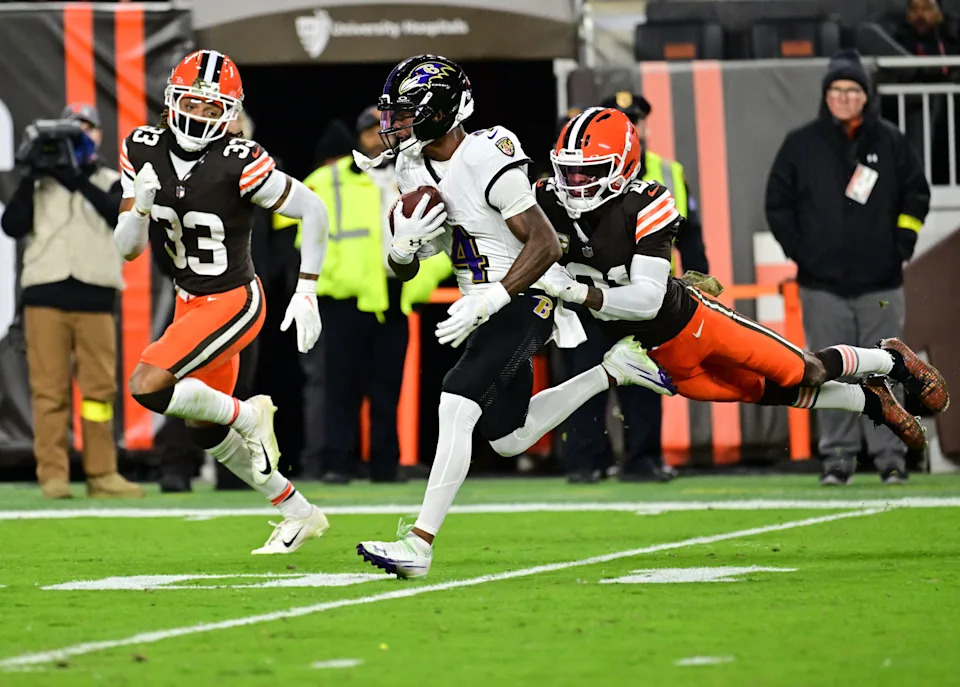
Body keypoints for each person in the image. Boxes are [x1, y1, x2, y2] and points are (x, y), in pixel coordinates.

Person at [489, 108, 948, 487]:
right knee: (767, 393)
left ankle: (891, 361)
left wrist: (573, 291)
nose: (574, 183)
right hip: (652, 357)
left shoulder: (647, 200)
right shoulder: (544, 199)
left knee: (799, 370)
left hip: (693, 324)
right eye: (567, 171)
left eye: (589, 172)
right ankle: (870, 402)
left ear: (624, 169)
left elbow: (647, 299)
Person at [355, 55, 673, 579]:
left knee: (456, 401)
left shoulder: (486, 153)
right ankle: (613, 370)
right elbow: (411, 266)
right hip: (481, 303)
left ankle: (419, 543)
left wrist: (494, 297)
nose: (398, 124)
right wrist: (403, 252)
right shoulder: (411, 166)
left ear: (444, 111)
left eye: (410, 112)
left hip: (527, 294)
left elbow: (545, 243)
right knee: (510, 436)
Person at [114, 49, 330, 553]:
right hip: (190, 300)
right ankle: (300, 512)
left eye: (215, 108)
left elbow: (314, 209)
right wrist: (139, 208)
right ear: (171, 101)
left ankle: (247, 416)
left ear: (230, 112)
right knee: (201, 430)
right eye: (194, 102)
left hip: (233, 299)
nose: (202, 115)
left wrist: (307, 289)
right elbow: (128, 250)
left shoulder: (240, 158)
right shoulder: (141, 148)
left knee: (148, 385)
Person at [765, 50, 932, 485]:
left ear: (866, 96)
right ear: (826, 96)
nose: (844, 97)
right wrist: (802, 251)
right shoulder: (800, 144)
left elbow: (917, 194)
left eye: (853, 90)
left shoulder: (891, 142)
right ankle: (837, 459)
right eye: (836, 90)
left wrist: (903, 242)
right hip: (822, 287)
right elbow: (777, 205)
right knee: (828, 374)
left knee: (885, 370)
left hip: (881, 284)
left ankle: (891, 458)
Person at [553, 91, 709, 483]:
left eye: (634, 119)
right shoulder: (577, 173)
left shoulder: (665, 173)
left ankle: (642, 458)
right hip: (589, 291)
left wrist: (698, 278)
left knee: (643, 380)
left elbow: (690, 233)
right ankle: (588, 460)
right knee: (584, 378)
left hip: (641, 291)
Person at [298, 106, 451, 484]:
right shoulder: (327, 178)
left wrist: (419, 284)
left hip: (394, 293)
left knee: (388, 387)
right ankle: (335, 463)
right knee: (340, 387)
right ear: (358, 136)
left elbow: (446, 237)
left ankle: (385, 465)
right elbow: (305, 237)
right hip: (345, 298)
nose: (376, 137)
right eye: (369, 130)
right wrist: (330, 281)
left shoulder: (419, 176)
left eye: (383, 130)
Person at [1, 103, 143, 499]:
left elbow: (118, 216)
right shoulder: (39, 183)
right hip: (44, 297)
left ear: (98, 135)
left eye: (87, 128)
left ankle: (102, 474)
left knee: (99, 390)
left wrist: (75, 177)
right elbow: (11, 225)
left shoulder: (113, 180)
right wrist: (32, 174)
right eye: (71, 128)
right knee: (49, 391)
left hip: (95, 298)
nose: (79, 134)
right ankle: (53, 476)